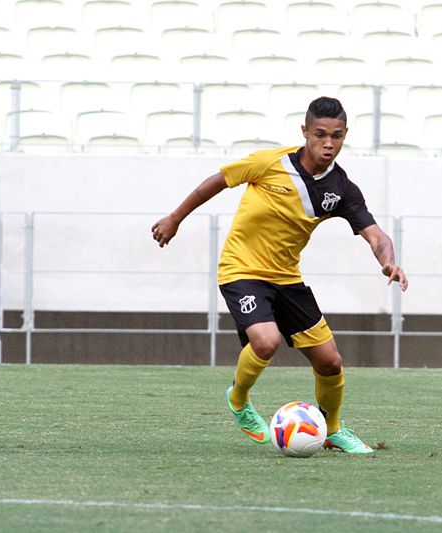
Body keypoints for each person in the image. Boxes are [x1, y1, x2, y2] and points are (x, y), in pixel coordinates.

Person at [151, 97, 408, 453]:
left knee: (330, 362)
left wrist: (389, 261)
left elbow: (376, 235)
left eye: (336, 136)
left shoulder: (341, 189)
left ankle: (332, 429)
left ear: (345, 135)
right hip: (241, 269)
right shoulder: (270, 163)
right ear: (305, 132)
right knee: (266, 341)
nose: (328, 143)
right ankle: (238, 400)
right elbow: (218, 181)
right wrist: (174, 218)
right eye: (320, 134)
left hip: (286, 278)